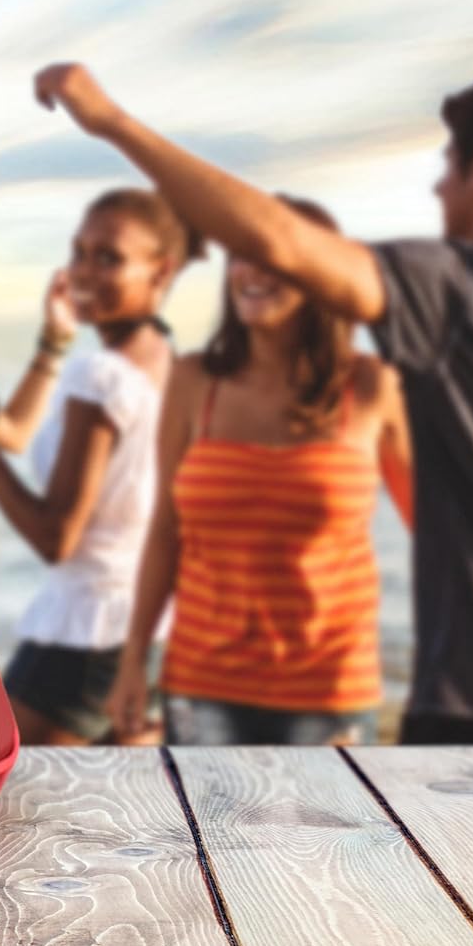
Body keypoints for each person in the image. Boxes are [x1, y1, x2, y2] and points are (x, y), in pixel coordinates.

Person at [35, 49, 473, 745]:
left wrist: (111, 120)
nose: (437, 191)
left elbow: (277, 237)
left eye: (449, 166)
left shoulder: (450, 289)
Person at [107, 198, 413, 747]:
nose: (250, 272)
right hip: (202, 684)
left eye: (271, 256)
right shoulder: (193, 380)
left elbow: (442, 527)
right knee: (209, 837)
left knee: (329, 837)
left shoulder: (372, 387)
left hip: (330, 690)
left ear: (320, 269)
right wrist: (134, 659)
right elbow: (164, 531)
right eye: (242, 256)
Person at [0, 189, 200, 746]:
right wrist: (56, 339)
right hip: (153, 633)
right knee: (125, 822)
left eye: (108, 258)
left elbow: (56, 537)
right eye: (79, 252)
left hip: (82, 635)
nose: (84, 271)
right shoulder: (173, 366)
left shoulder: (101, 377)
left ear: (161, 272)